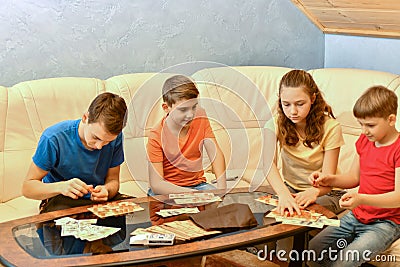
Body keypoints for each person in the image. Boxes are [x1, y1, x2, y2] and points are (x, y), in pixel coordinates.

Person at [308, 86, 400, 267]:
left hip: (386, 223)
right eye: (361, 124)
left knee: (345, 262)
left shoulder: (398, 149)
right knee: (311, 251)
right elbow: (353, 177)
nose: (364, 131)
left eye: (370, 125)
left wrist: (361, 198)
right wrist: (329, 179)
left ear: (391, 120)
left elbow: (398, 198)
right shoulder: (365, 141)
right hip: (356, 216)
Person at [22, 92, 129, 212]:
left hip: (99, 202)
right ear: (85, 118)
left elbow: (113, 180)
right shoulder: (53, 138)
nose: (99, 147)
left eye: (107, 142)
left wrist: (107, 190)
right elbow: (28, 188)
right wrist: (61, 187)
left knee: (141, 216)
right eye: (96, 138)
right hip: (61, 200)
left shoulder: (116, 138)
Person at [264, 69, 345, 215]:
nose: (293, 111)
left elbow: (328, 179)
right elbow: (268, 165)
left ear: (313, 99)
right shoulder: (274, 124)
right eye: (286, 104)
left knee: (300, 212)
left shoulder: (331, 127)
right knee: (273, 213)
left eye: (300, 104)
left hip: (327, 192)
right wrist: (283, 194)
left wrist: (313, 192)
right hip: (291, 188)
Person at [147, 74, 227, 195]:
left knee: (223, 209)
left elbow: (215, 154)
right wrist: (192, 195)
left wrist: (221, 190)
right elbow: (156, 184)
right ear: (166, 107)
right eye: (183, 110)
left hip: (198, 186)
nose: (190, 115)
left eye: (194, 107)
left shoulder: (200, 116)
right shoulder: (156, 135)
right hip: (168, 190)